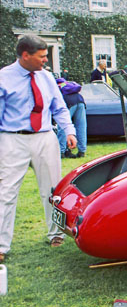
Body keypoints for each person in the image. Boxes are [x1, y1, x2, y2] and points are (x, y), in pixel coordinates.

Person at [0, 35, 78, 261]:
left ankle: (56, 234)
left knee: (53, 191)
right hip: (12, 139)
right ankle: (2, 246)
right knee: (6, 192)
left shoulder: (46, 77)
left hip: (45, 137)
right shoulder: (4, 78)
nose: (46, 60)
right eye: (42, 56)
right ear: (26, 55)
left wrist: (70, 131)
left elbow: (59, 107)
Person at [56, 78, 87, 158]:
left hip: (68, 102)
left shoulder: (57, 86)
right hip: (80, 101)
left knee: (63, 125)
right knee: (81, 126)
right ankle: (82, 151)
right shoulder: (69, 85)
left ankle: (61, 152)